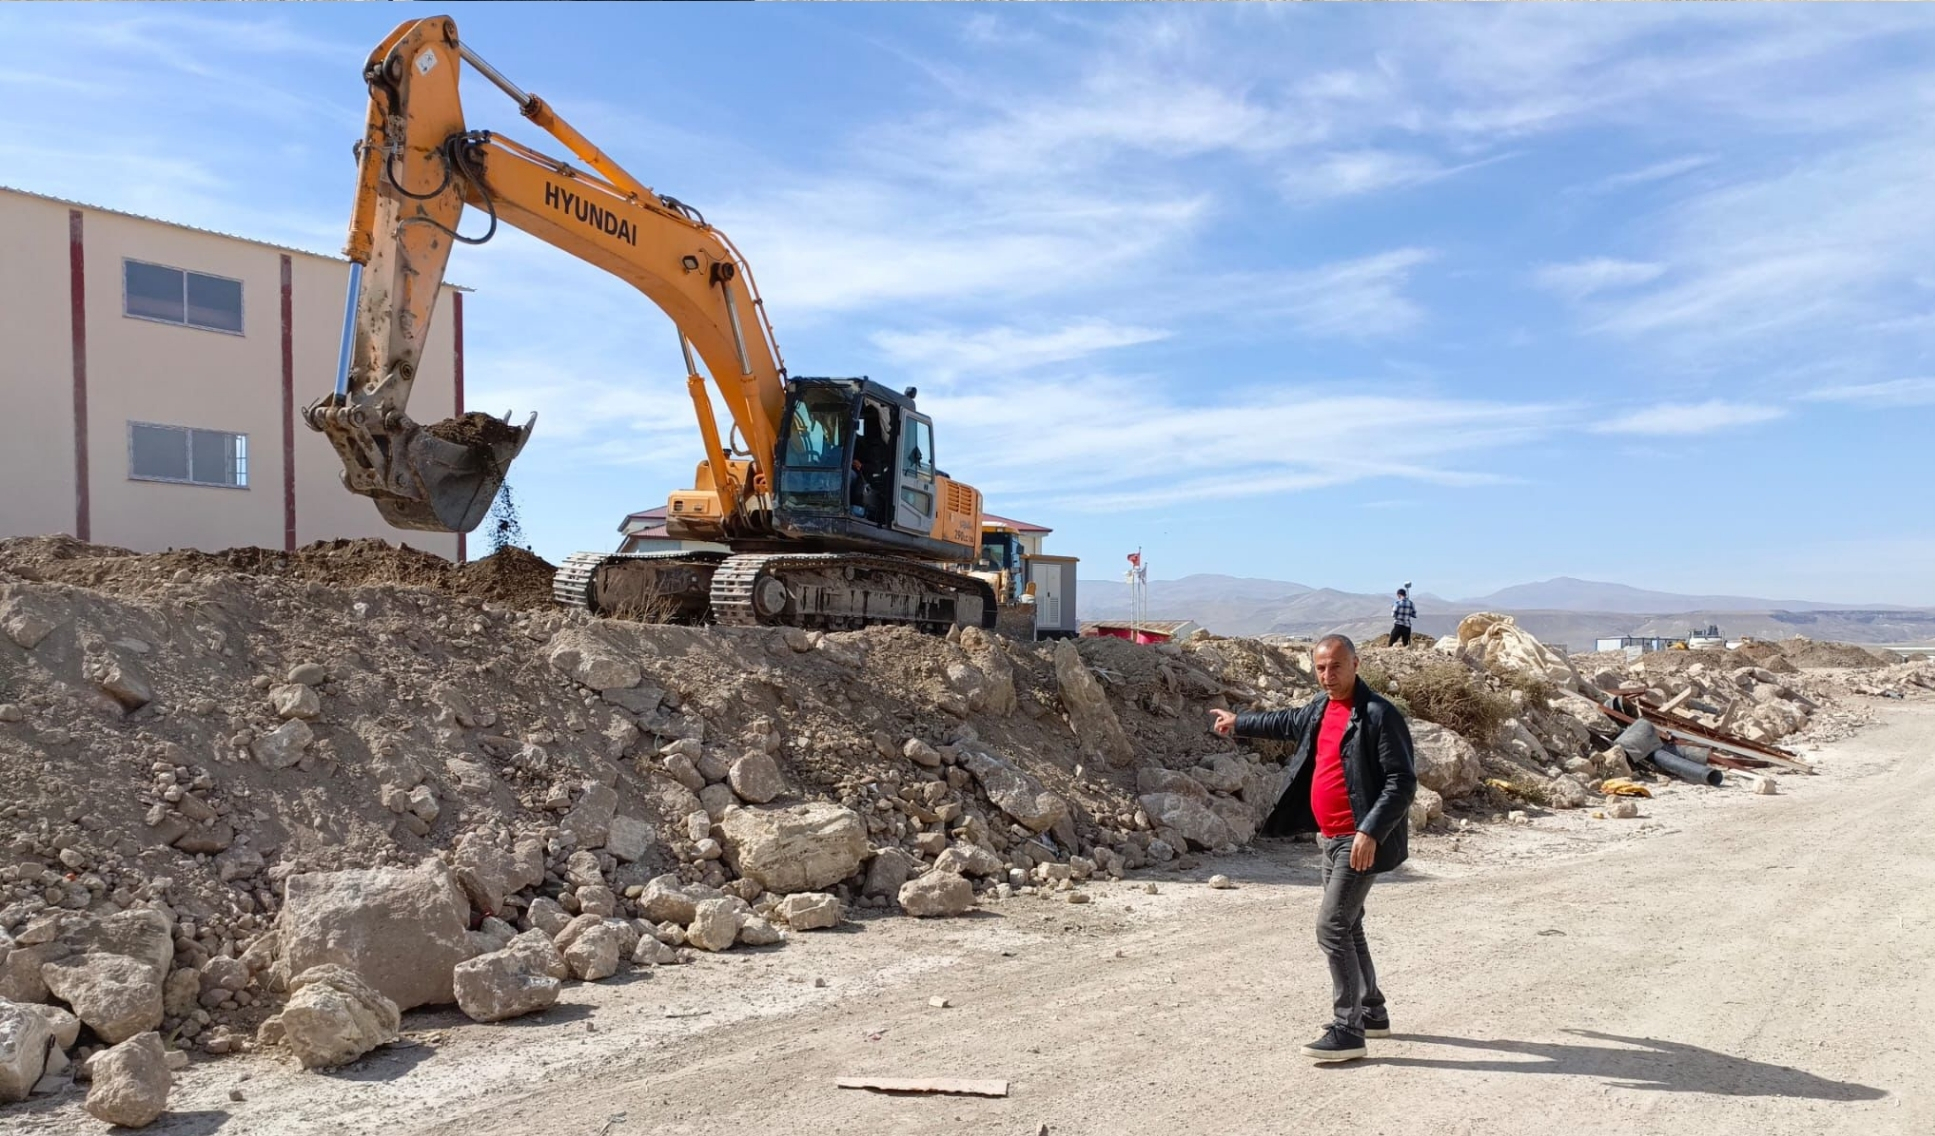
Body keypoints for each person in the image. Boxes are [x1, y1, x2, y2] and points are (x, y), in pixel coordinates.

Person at [1208, 634, 1416, 1063]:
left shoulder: (1378, 714)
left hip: (1358, 843)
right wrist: (1239, 721)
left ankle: (1347, 1028)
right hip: (1330, 837)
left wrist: (1370, 831)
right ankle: (1372, 1012)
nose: (1327, 675)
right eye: (1320, 668)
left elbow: (1401, 781)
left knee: (1331, 928)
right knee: (1349, 924)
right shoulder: (1322, 709)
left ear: (1356, 663)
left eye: (1336, 666)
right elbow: (1285, 722)